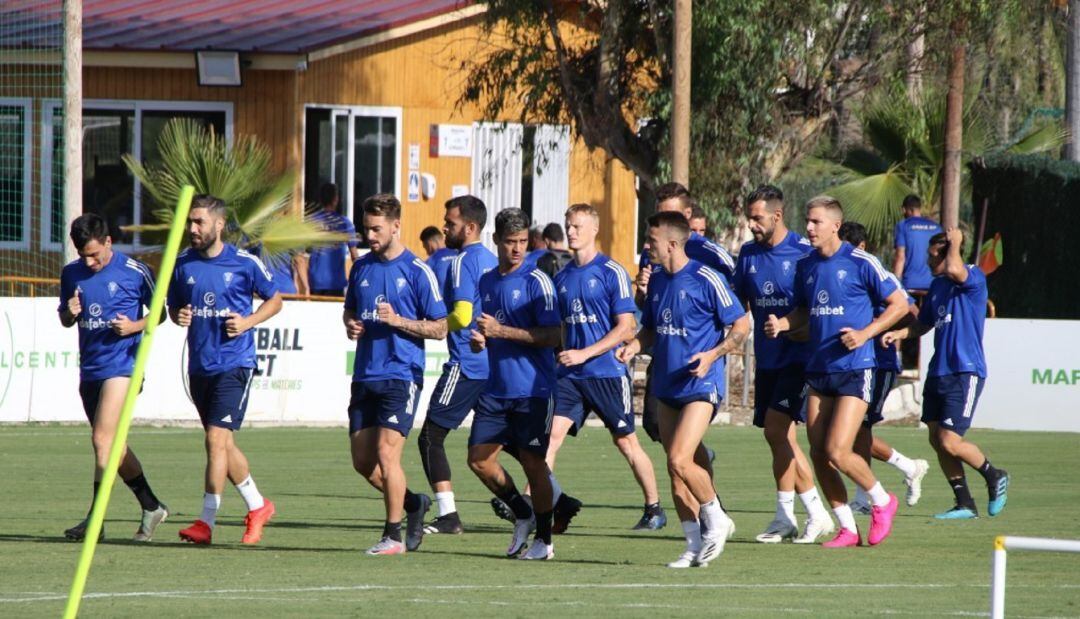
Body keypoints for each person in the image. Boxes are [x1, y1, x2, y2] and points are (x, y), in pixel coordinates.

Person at [764, 196, 909, 548]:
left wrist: (865, 334)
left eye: (815, 222)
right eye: (808, 221)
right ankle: (846, 527)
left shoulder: (861, 262)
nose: (809, 228)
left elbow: (900, 303)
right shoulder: (807, 265)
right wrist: (783, 323)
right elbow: (804, 310)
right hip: (819, 368)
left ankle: (882, 500)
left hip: (856, 368)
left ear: (835, 226)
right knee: (817, 452)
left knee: (838, 450)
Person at [618, 211, 749, 568]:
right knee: (675, 472)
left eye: (652, 241)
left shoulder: (708, 278)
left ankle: (717, 517)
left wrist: (713, 354)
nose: (648, 247)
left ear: (673, 244)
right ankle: (693, 546)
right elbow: (651, 331)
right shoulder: (657, 280)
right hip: (667, 383)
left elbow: (740, 325)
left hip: (700, 383)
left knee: (680, 459)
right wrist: (634, 345)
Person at [168, 195, 281, 545]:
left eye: (199, 222)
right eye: (190, 221)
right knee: (224, 446)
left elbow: (275, 300)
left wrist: (247, 322)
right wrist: (178, 315)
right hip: (200, 366)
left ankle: (206, 522)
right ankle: (258, 506)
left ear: (219, 225)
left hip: (235, 363)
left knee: (215, 440)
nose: (192, 228)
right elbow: (173, 306)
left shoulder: (244, 262)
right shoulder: (183, 262)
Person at [548, 203, 666, 531]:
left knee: (625, 442)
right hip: (570, 375)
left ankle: (654, 507)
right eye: (568, 225)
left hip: (606, 374)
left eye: (577, 226)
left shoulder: (610, 271)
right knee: (549, 438)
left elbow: (626, 327)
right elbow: (561, 326)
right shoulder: (562, 277)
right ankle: (539, 506)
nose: (571, 231)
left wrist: (584, 353)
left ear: (594, 229)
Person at [343, 193, 448, 555]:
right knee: (363, 463)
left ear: (396, 226)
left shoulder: (418, 271)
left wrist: (399, 321)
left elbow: (440, 327)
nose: (369, 235)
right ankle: (414, 504)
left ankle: (392, 536)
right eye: (365, 228)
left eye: (376, 228)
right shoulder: (360, 268)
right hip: (365, 375)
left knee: (388, 456)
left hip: (401, 375)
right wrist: (351, 325)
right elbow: (350, 311)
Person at [882, 228, 1009, 520]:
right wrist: (900, 332)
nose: (927, 261)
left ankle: (995, 476)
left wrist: (956, 242)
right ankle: (964, 502)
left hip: (965, 371)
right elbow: (923, 324)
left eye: (932, 255)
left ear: (949, 251)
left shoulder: (973, 276)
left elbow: (954, 266)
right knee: (936, 439)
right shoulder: (937, 286)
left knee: (950, 440)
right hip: (939, 371)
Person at [732, 185, 834, 545]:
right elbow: (736, 305)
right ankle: (791, 516)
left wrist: (789, 326)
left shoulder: (805, 255)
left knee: (777, 430)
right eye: (749, 218)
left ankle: (809, 515)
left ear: (777, 216)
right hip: (769, 360)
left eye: (757, 218)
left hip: (800, 359)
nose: (751, 225)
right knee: (778, 437)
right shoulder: (747, 255)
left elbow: (815, 311)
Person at [58, 213, 169, 542]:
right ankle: (151, 505)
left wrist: (134, 326)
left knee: (101, 441)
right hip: (90, 368)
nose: (90, 261)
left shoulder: (135, 271)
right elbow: (64, 318)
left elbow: (159, 313)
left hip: (123, 367)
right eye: (83, 256)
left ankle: (95, 520)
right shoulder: (71, 274)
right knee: (112, 445)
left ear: (108, 242)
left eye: (95, 253)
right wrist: (70, 313)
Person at [467, 208, 562, 561]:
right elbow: (489, 330)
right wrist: (482, 340)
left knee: (533, 464)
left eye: (523, 241)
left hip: (533, 392)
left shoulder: (538, 282)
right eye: (510, 242)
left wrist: (500, 331)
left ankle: (545, 541)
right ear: (496, 241)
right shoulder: (488, 281)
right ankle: (521, 512)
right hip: (496, 390)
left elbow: (553, 335)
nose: (517, 249)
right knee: (478, 460)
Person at [635, 182, 734, 496]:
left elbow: (735, 301)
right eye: (659, 215)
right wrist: (641, 295)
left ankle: (713, 512)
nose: (661, 224)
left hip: (701, 360)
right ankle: (698, 532)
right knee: (656, 427)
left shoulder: (709, 257)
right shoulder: (653, 254)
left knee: (678, 459)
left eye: (670, 215)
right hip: (666, 357)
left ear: (687, 217)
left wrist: (716, 346)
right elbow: (650, 308)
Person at [415, 196, 498, 535]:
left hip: (466, 364)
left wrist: (434, 326)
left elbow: (463, 315)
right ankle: (546, 501)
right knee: (508, 446)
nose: (445, 226)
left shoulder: (463, 261)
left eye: (450, 222)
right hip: (493, 365)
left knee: (430, 438)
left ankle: (448, 515)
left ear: (470, 227)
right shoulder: (492, 260)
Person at [837, 222, 930, 514]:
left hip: (880, 363)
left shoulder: (880, 275)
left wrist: (879, 330)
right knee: (851, 433)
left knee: (857, 430)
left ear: (860, 248)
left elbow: (911, 313)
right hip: (854, 363)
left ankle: (865, 497)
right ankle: (908, 467)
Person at [308, 183, 360, 296]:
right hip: (336, 282)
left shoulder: (311, 222)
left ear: (320, 199)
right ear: (336, 199)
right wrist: (361, 275)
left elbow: (300, 252)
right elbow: (354, 255)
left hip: (315, 281)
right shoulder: (345, 223)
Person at [892, 194, 942, 292]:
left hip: (910, 284)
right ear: (919, 208)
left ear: (904, 209)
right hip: (934, 284)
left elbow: (900, 257)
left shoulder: (903, 226)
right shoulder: (937, 228)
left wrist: (896, 284)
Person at [421, 225, 458, 292]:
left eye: (425, 247)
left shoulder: (430, 263)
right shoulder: (458, 255)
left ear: (429, 244)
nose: (427, 252)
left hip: (443, 301)